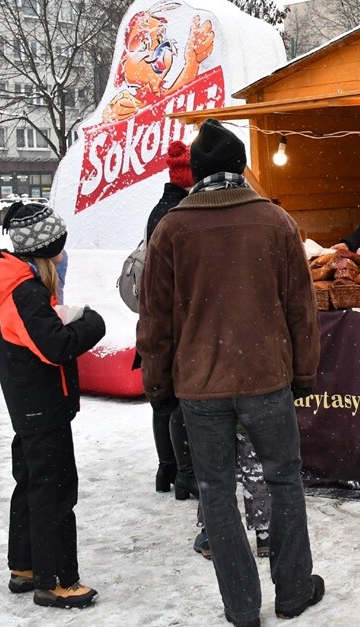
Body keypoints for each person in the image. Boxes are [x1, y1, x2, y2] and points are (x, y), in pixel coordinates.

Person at [137, 118, 324, 627]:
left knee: (216, 492)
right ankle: (292, 592)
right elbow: (301, 310)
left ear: (194, 173)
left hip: (200, 387)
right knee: (284, 481)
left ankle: (241, 606)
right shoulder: (276, 222)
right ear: (242, 167)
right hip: (267, 379)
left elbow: (155, 319)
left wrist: (158, 386)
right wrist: (304, 375)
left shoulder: (172, 228)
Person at [0, 202, 105, 610]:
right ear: (50, 247)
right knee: (54, 489)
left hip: (31, 402)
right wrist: (91, 324)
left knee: (32, 482)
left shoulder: (16, 283)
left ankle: (26, 566)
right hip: (40, 404)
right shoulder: (26, 291)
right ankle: (57, 581)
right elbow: (55, 346)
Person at [145, 139, 198, 500]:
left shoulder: (160, 209)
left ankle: (167, 470)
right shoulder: (181, 213)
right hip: (176, 316)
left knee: (163, 399)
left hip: (159, 315)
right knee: (177, 401)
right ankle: (183, 474)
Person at [192, 429, 271, 561]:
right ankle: (265, 534)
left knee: (215, 469)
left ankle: (211, 535)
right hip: (251, 416)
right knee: (256, 469)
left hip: (216, 417)